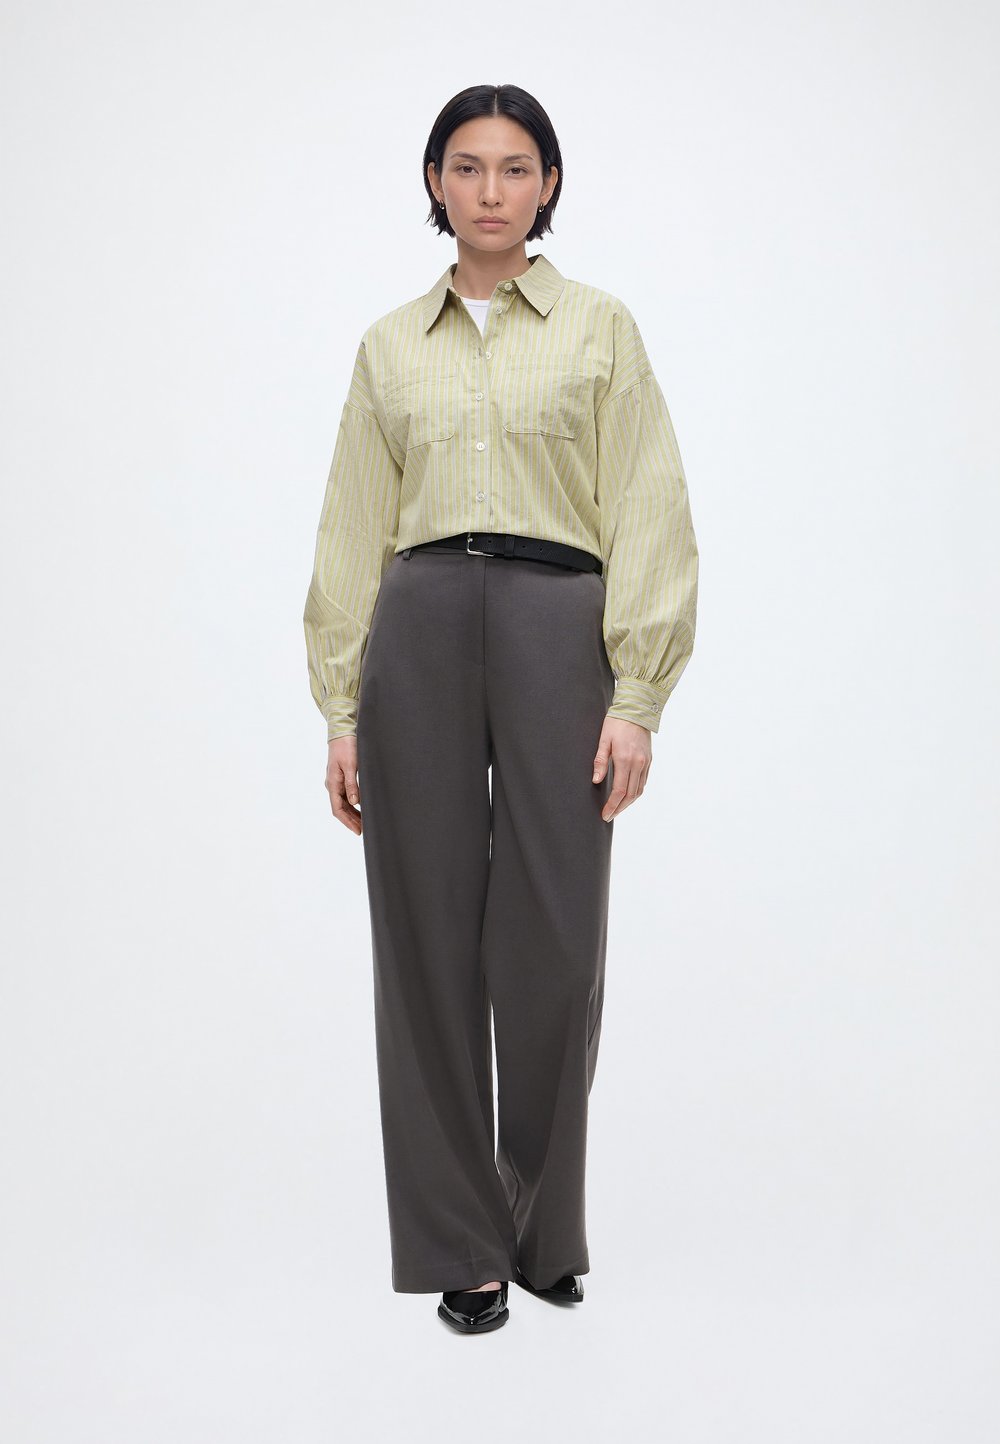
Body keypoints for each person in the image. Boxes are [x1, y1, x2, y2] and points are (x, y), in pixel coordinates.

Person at [303, 82, 699, 1335]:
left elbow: (648, 505)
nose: (490, 190)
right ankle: (458, 1246)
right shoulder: (388, 345)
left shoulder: (600, 328)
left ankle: (540, 1229)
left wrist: (637, 693)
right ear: (434, 182)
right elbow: (352, 527)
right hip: (417, 623)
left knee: (555, 939)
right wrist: (339, 709)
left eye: (515, 167)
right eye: (466, 166)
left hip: (555, 624)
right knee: (421, 937)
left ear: (548, 184)